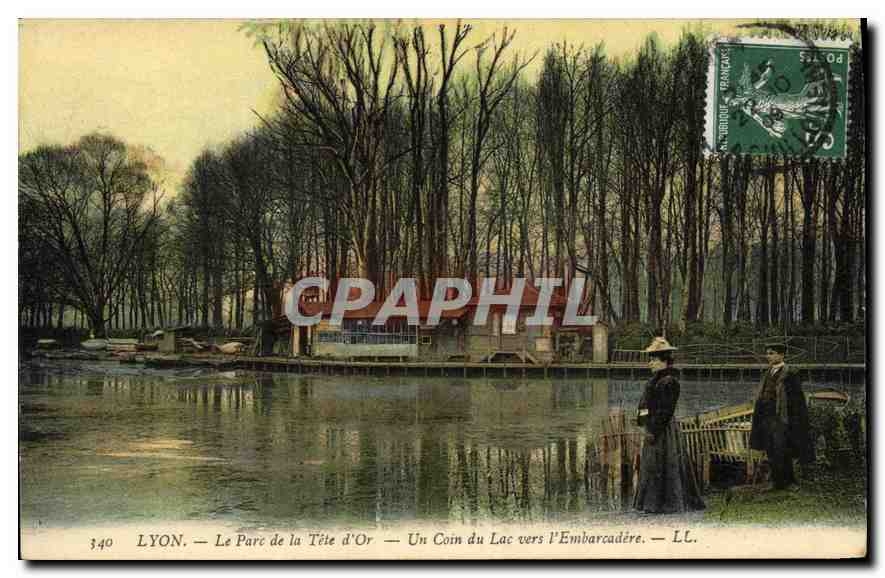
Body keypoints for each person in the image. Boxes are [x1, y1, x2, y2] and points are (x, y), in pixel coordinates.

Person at [633, 337, 705, 514]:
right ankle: (653, 503)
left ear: (665, 361)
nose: (651, 363)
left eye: (654, 360)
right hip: (652, 426)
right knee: (652, 464)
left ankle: (667, 504)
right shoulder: (655, 380)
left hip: (663, 430)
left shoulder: (669, 382)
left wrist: (653, 431)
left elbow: (666, 411)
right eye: (650, 359)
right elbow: (645, 406)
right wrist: (642, 421)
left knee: (664, 463)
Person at [750, 342, 815, 490]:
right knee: (770, 449)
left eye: (772, 353)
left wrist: (794, 420)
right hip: (766, 417)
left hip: (782, 418)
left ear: (781, 355)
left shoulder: (790, 374)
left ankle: (790, 482)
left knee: (783, 449)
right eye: (767, 353)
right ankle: (775, 481)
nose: (768, 356)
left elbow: (797, 400)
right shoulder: (767, 373)